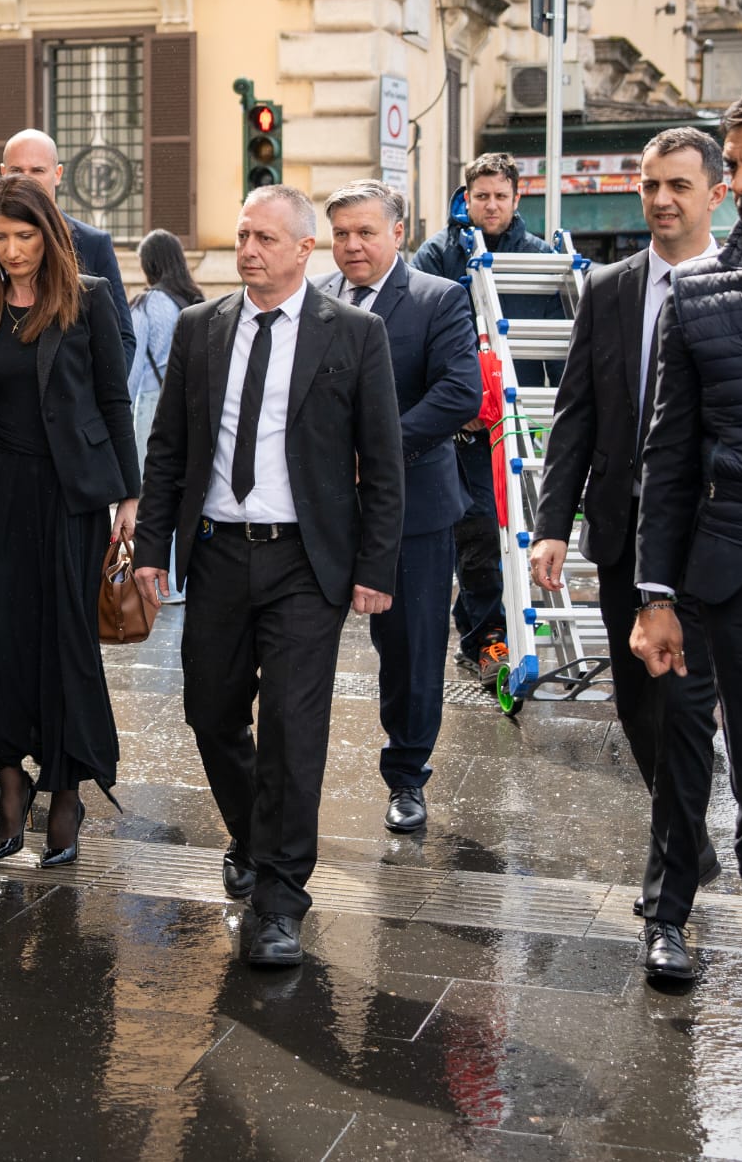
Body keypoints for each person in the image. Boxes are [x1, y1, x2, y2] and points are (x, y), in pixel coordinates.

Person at [133, 185, 404, 968]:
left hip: (305, 562)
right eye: (242, 235)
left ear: (303, 250)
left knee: (292, 726)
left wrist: (375, 565)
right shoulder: (201, 327)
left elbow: (384, 461)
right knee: (210, 712)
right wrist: (152, 547)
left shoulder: (355, 333)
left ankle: (281, 898)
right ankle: (253, 834)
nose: (248, 250)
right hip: (217, 552)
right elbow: (169, 448)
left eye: (265, 239)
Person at [632, 88, 742, 1107]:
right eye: (732, 166)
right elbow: (666, 458)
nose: (739, 183)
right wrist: (657, 593)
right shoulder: (701, 294)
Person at [531, 127, 727, 984]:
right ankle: (686, 832)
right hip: (622, 534)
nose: (661, 200)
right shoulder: (610, 288)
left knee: (683, 710)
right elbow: (575, 411)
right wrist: (552, 522)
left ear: (714, 194)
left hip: (712, 539)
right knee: (640, 710)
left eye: (678, 185)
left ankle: (666, 904)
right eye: (650, 185)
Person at [0, 176, 141, 866]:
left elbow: (114, 399)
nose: (12, 250)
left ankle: (66, 788)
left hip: (70, 496)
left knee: (64, 645)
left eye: (24, 236)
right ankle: (11, 780)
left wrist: (130, 495)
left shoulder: (87, 298)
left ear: (49, 235)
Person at [314, 181, 481, 834]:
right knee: (300, 642)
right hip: (325, 508)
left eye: (365, 232)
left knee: (411, 651)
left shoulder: (439, 299)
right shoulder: (316, 298)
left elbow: (459, 392)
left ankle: (407, 776)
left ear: (398, 233)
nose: (352, 245)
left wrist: (377, 451)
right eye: (341, 234)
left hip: (415, 508)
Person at [414, 153, 558, 687]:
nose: (491, 205)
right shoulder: (437, 254)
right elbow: (419, 336)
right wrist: (453, 406)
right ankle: (487, 637)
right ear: (466, 198)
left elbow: (558, 348)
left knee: (513, 533)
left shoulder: (539, 257)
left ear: (517, 199)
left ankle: (488, 627)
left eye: (501, 196)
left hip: (518, 423)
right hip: (462, 425)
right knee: (477, 532)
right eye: (482, 196)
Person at [0, 129, 136, 390]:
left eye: (37, 170)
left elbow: (121, 337)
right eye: (17, 170)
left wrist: (88, 401)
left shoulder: (92, 243)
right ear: (2, 173)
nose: (27, 179)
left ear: (58, 174)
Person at [128, 229, 204, 605]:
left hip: (153, 403)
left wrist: (120, 413)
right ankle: (186, 578)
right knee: (187, 490)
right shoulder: (195, 301)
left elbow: (132, 365)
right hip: (194, 406)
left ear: (149, 264)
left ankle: (165, 581)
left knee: (155, 490)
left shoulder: (145, 304)